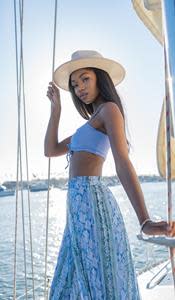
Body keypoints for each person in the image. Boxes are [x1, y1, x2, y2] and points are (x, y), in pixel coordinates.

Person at [45, 50, 175, 299]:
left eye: (85, 79)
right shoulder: (86, 125)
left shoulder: (109, 110)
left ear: (99, 78)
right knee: (66, 282)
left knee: (101, 282)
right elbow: (50, 150)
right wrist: (56, 109)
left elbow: (122, 162)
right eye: (74, 84)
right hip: (77, 209)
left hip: (93, 204)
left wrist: (144, 220)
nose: (80, 88)